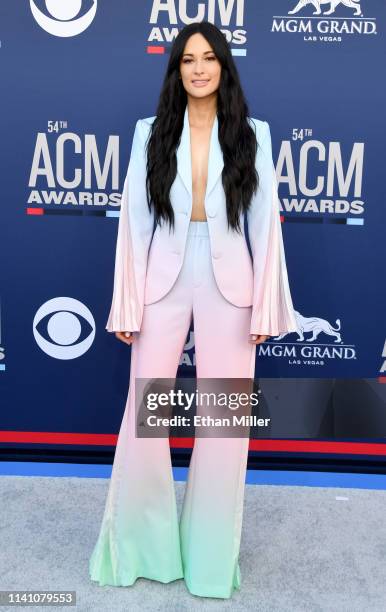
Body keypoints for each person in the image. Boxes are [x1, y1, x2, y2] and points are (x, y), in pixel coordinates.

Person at [89, 21, 297, 600]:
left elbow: (265, 225)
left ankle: (211, 563)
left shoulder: (253, 133)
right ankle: (144, 550)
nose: (199, 68)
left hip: (232, 278)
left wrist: (265, 309)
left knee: (224, 425)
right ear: (176, 70)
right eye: (188, 59)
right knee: (146, 418)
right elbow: (133, 219)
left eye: (209, 58)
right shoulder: (148, 132)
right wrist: (127, 300)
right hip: (162, 277)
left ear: (224, 67)